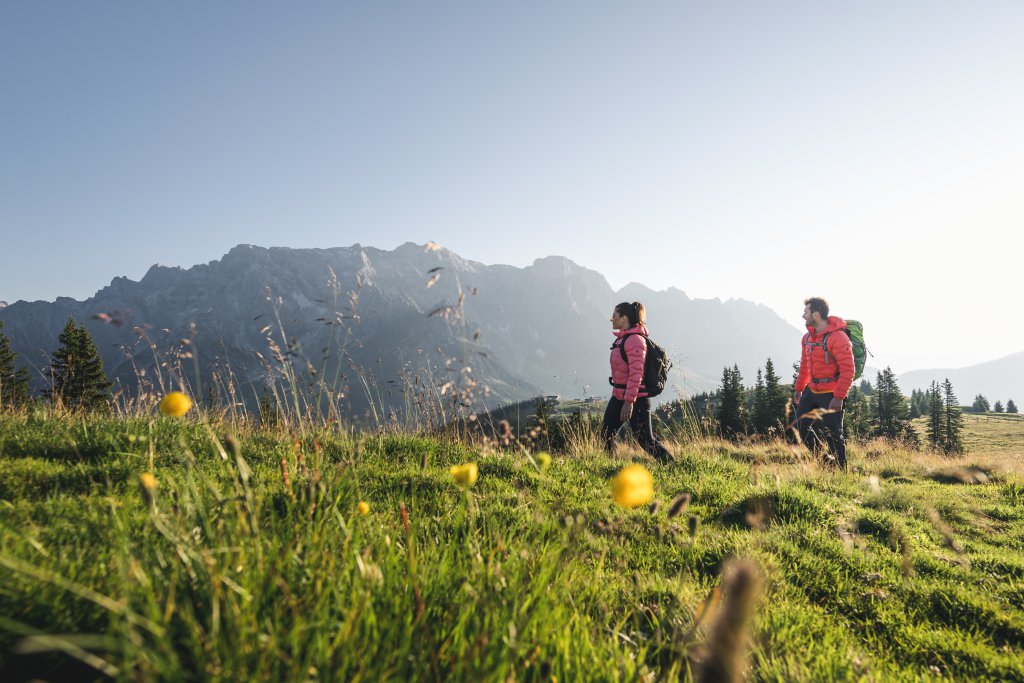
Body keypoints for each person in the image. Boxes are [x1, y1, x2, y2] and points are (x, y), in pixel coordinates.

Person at [602, 301, 673, 463]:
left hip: (636, 399)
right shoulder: (622, 339)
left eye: (615, 315)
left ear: (624, 318)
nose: (611, 318)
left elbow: (636, 374)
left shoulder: (635, 340)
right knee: (606, 433)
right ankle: (612, 467)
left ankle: (671, 465)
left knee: (645, 440)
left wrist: (629, 402)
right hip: (619, 396)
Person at [793, 297, 855, 469]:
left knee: (834, 435)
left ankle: (842, 472)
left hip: (832, 393)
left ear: (816, 314)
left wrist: (839, 397)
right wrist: (799, 389)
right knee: (800, 426)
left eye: (806, 312)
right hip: (812, 391)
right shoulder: (807, 338)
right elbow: (805, 365)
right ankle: (826, 461)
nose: (803, 316)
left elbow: (848, 369)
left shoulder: (838, 337)